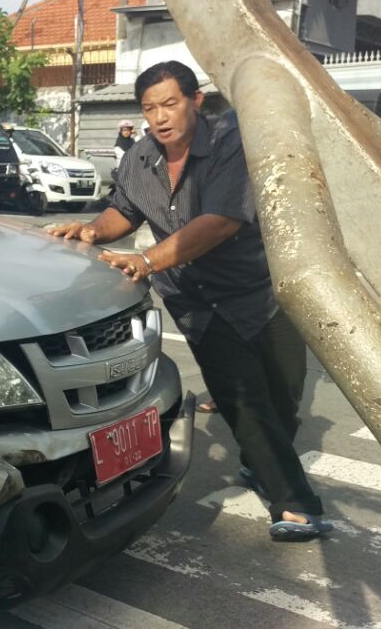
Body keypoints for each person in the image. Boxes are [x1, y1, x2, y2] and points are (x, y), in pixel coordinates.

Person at [46, 60, 332, 542]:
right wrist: (94, 229)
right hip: (195, 299)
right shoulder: (139, 157)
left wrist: (149, 260)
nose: (160, 117)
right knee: (244, 399)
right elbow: (126, 209)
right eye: (149, 108)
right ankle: (293, 503)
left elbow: (222, 220)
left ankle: (258, 463)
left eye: (170, 104)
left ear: (195, 100)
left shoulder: (229, 143)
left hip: (258, 288)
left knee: (285, 390)